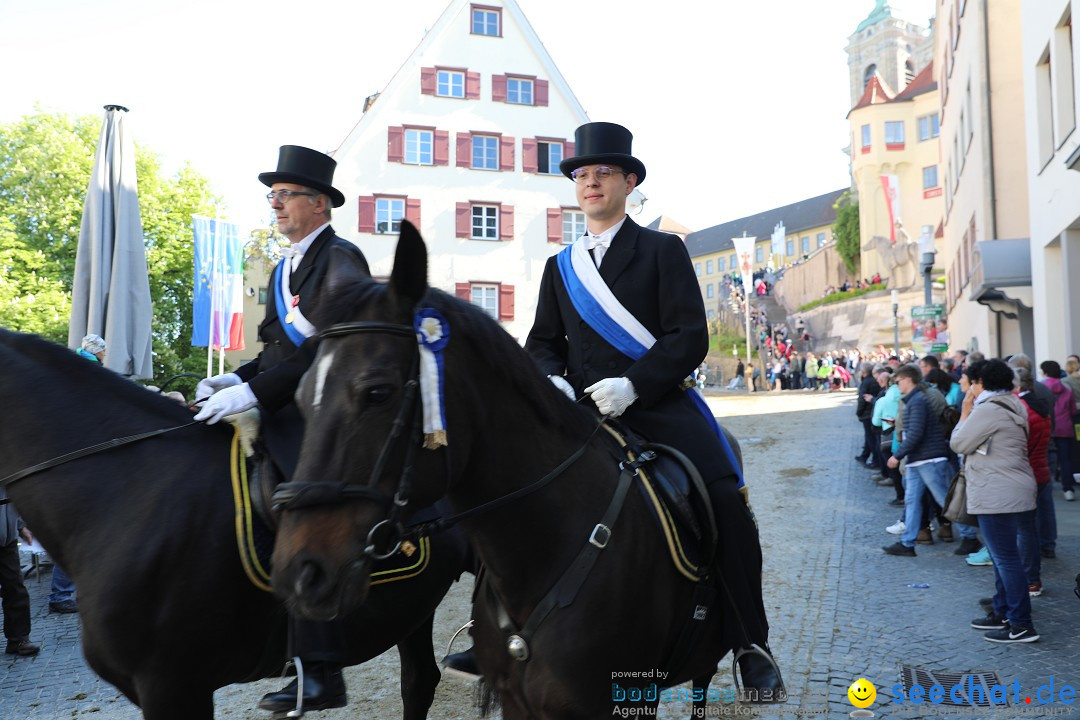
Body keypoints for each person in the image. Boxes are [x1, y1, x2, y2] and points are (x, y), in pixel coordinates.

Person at [524, 121, 782, 695]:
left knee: (724, 498)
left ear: (629, 182)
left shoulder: (662, 249)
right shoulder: (559, 267)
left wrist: (634, 386)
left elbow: (689, 336)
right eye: (581, 175)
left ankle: (749, 641)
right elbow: (542, 341)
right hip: (584, 412)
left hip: (657, 405)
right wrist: (554, 381)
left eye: (602, 173)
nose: (589, 183)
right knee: (513, 490)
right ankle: (495, 629)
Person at [194, 146, 370, 713]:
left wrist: (254, 392)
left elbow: (324, 350)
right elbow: (274, 349)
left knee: (301, 512)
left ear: (319, 204)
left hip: (319, 413)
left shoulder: (342, 259)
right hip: (278, 400)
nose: (276, 202)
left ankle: (319, 670)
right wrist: (233, 380)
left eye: (286, 193)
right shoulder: (283, 266)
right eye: (273, 195)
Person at [952, 360, 1039, 643]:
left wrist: (965, 412)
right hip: (1014, 488)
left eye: (972, 382)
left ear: (981, 383)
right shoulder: (1012, 404)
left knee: (1005, 559)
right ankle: (1002, 611)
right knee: (1005, 557)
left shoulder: (987, 410)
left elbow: (958, 443)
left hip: (997, 493)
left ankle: (1021, 624)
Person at [882, 365, 951, 557]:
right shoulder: (915, 399)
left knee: (943, 499)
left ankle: (970, 535)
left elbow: (916, 434)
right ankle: (907, 543)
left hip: (928, 459)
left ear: (907, 380)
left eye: (898, 382)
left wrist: (897, 456)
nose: (897, 386)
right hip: (918, 459)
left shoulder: (918, 401)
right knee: (912, 500)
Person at [0, 488, 39, 656]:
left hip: (7, 540)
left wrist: (21, 526)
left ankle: (18, 639)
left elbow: (11, 499)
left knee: (15, 588)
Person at [1041, 360, 1078, 502]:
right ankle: (1068, 488)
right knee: (1065, 459)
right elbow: (1073, 410)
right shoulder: (1067, 388)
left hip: (1047, 426)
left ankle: (1046, 487)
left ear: (1045, 372)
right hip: (1065, 427)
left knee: (1044, 458)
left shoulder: (1042, 387)